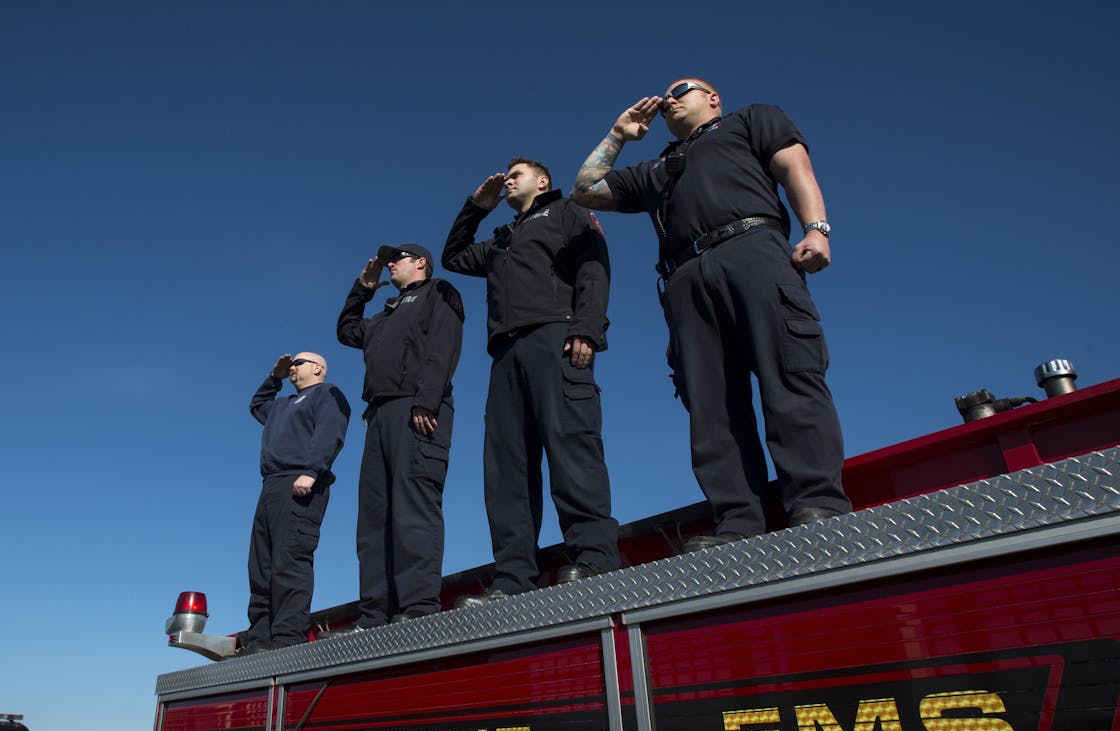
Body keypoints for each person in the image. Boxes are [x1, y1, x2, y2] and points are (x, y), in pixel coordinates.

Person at [572, 79, 851, 551]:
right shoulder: (658, 169)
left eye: (683, 89)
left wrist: (816, 229)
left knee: (789, 373)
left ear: (713, 97)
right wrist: (619, 135)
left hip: (754, 249)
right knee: (710, 404)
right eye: (665, 97)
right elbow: (586, 189)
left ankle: (816, 502)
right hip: (685, 277)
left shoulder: (751, 119)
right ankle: (739, 521)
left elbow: (794, 166)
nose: (670, 100)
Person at [442, 157, 619, 599]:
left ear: (543, 181)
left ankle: (595, 556)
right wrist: (476, 206)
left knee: (571, 444)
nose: (508, 179)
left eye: (517, 173)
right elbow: (453, 256)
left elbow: (594, 267)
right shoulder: (500, 240)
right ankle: (514, 576)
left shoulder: (567, 212)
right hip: (504, 356)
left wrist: (587, 328)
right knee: (506, 467)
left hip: (555, 338)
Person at [337, 243, 464, 629]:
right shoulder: (382, 315)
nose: (390, 264)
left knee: (413, 508)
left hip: (417, 409)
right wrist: (362, 289)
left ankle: (417, 606)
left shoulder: (438, 292)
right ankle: (375, 612)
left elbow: (444, 346)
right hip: (378, 416)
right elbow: (346, 332)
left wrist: (427, 400)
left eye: (398, 258)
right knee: (374, 517)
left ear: (421, 262)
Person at [242, 352, 350, 652]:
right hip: (271, 486)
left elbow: (330, 431)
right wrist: (274, 377)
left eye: (298, 363)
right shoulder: (281, 404)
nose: (293, 367)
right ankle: (260, 638)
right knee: (261, 565)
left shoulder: (327, 393)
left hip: (300, 481)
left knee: (289, 561)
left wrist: (312, 470)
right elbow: (256, 406)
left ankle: (288, 638)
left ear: (318, 368)